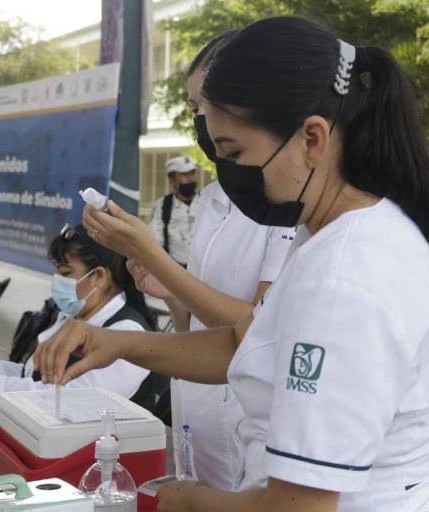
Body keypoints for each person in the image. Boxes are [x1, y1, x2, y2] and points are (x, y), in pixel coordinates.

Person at [36, 15, 429, 512]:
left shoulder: (346, 278)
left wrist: (192, 500)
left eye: (235, 152)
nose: (231, 174)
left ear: (312, 139)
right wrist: (116, 342)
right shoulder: (343, 232)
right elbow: (248, 342)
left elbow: (297, 507)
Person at [78, 31, 295, 492]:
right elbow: (195, 324)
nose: (200, 119)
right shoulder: (213, 202)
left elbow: (256, 331)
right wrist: (168, 286)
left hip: (246, 418)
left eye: (205, 105)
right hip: (197, 412)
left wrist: (154, 257)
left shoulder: (288, 210)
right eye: (194, 106)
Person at [0, 224, 158, 409]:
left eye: (66, 274)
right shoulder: (72, 317)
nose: (57, 282)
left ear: (99, 276)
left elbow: (76, 402)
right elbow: (34, 376)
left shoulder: (127, 331)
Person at [148, 156, 198, 267]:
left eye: (192, 173)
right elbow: (155, 241)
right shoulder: (162, 205)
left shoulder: (207, 201)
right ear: (172, 180)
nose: (190, 178)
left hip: (205, 272)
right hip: (177, 271)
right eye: (184, 174)